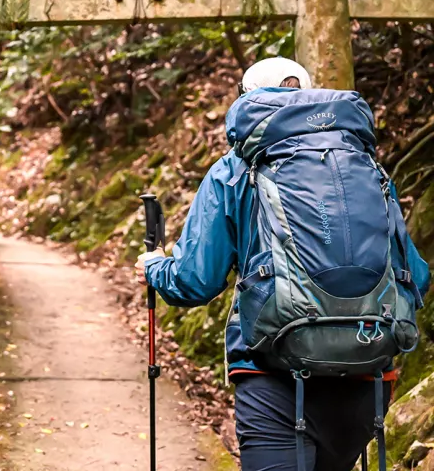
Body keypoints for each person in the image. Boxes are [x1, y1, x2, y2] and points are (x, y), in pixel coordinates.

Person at [136, 56, 430, 471]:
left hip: (271, 376)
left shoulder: (234, 171)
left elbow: (194, 281)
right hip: (366, 374)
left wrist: (154, 267)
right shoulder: (367, 167)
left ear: (246, 99)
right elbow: (416, 276)